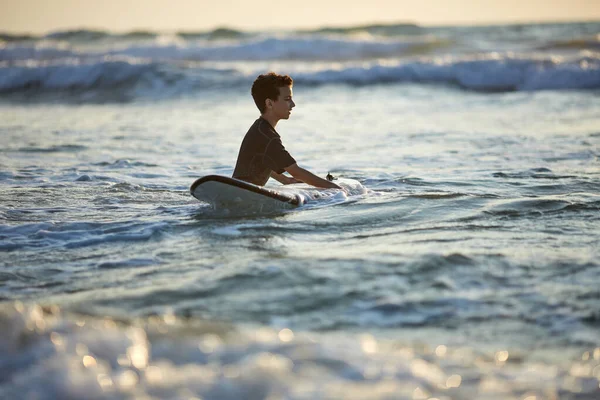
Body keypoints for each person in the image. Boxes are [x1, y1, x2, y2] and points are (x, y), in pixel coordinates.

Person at [232, 72, 341, 190]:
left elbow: (264, 161)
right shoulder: (267, 136)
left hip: (239, 190)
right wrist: (335, 188)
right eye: (287, 99)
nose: (293, 104)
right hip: (243, 194)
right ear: (269, 103)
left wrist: (286, 180)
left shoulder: (260, 128)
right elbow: (296, 172)